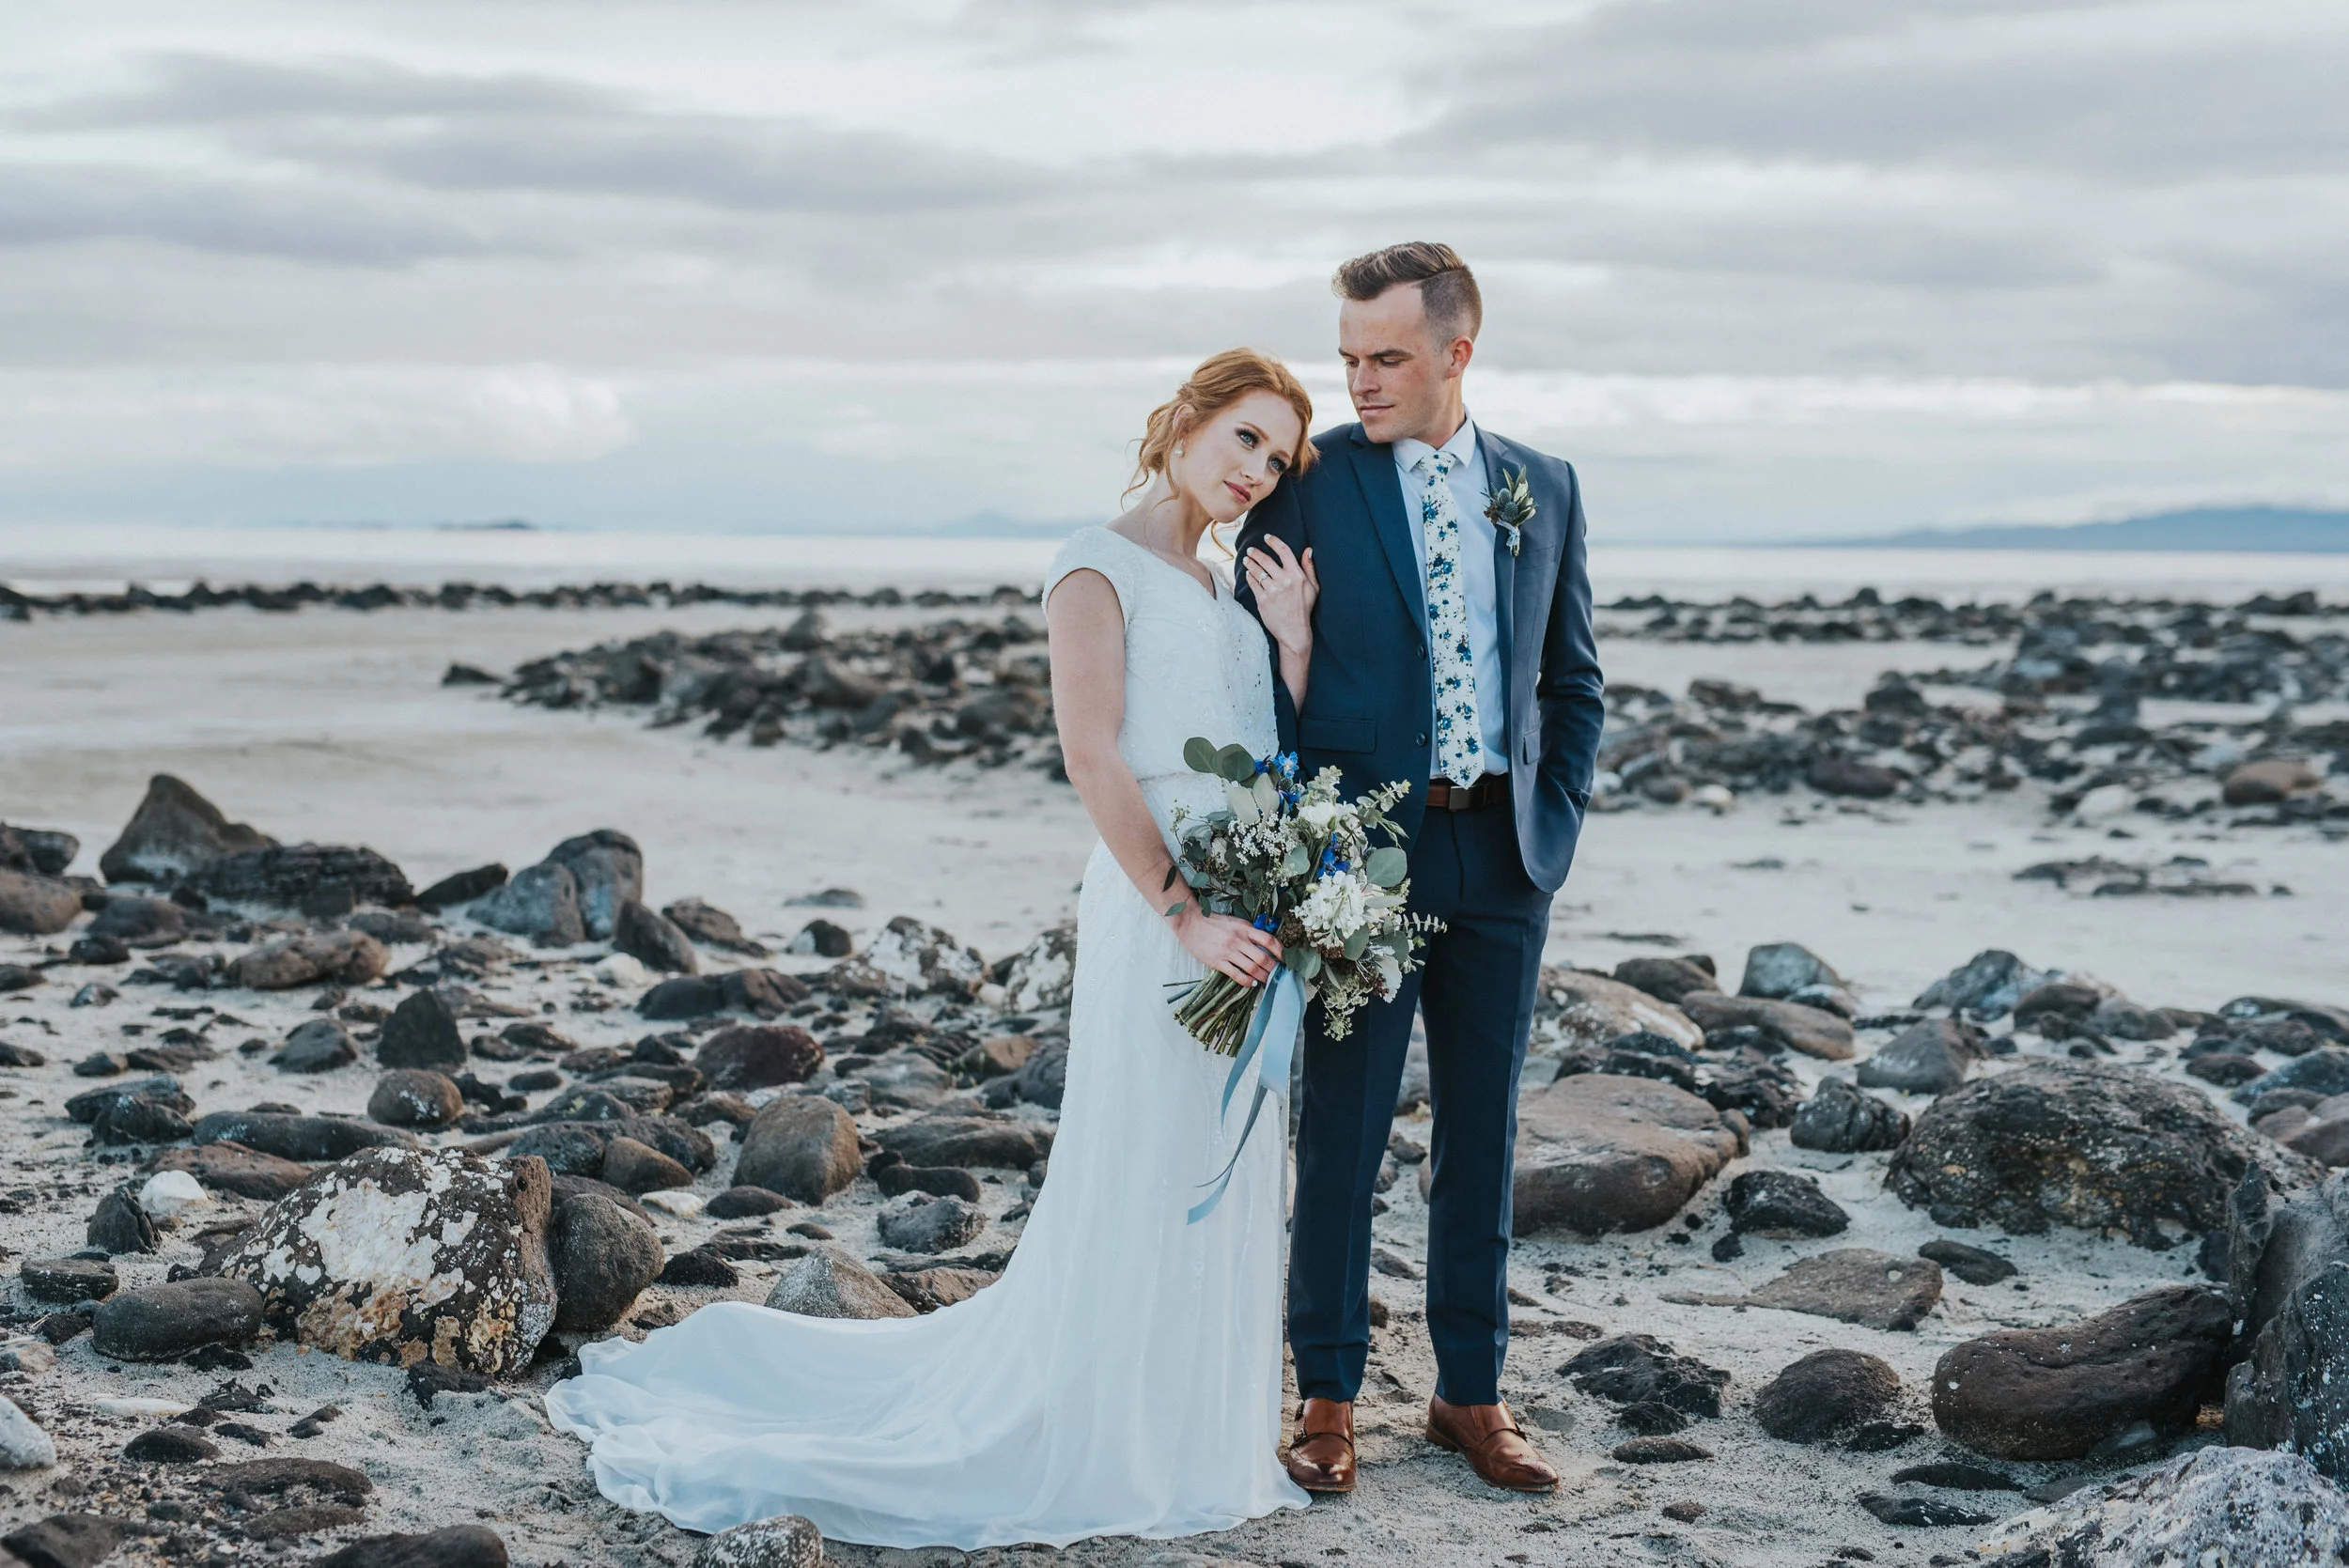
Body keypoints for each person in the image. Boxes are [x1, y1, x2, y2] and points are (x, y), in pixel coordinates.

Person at [545, 348, 1326, 1549]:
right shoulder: (1093, 565)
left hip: (1246, 894)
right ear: (1186, 422)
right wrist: (1182, 909)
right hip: (1164, 903)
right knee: (1146, 1154)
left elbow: (1260, 736)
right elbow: (1094, 756)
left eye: (1278, 457)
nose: (1258, 471)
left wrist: (1289, 643)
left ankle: (1191, 1431)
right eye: (1246, 440)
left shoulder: (1226, 584)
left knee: (1221, 1153)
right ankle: (1103, 1424)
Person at [1235, 242, 1606, 1497]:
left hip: (1502, 853)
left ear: (1457, 352)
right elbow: (1252, 676)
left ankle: (1471, 1396)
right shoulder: (1311, 481)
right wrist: (1303, 829)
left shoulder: (1543, 485)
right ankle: (1327, 1393)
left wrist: (1552, 822)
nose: (1360, 381)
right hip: (1358, 852)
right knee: (1341, 1130)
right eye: (1348, 357)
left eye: (1386, 356)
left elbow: (1573, 678)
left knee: (1481, 1132)